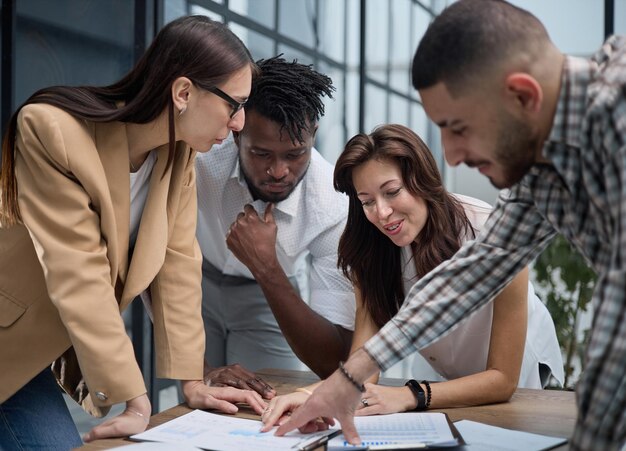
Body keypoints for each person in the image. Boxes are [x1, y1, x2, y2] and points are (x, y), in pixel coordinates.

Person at [275, 1, 626, 449]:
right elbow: (467, 277)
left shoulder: (616, 117)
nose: (452, 155)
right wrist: (347, 380)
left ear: (522, 96)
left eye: (458, 127)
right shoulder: (539, 164)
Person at [0, 15, 266, 450]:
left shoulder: (179, 156)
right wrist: (136, 400)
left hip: (31, 354)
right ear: (183, 93)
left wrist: (192, 381)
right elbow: (78, 270)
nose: (239, 123)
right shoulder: (51, 131)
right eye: (233, 105)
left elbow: (178, 265)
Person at [260, 124, 563, 427]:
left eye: (392, 192)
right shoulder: (370, 252)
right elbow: (363, 368)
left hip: (516, 369)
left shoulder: (494, 235)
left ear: (421, 180)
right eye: (366, 201)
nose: (381, 213)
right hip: (440, 367)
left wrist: (411, 394)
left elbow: (502, 381)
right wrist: (306, 395)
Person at [195, 55, 355, 387]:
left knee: (264, 406)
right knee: (190, 406)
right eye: (262, 153)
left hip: (268, 295)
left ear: (314, 135)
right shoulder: (201, 159)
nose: (279, 171)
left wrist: (266, 266)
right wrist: (202, 372)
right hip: (193, 283)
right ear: (237, 133)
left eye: (295, 154)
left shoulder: (333, 205)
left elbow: (334, 360)